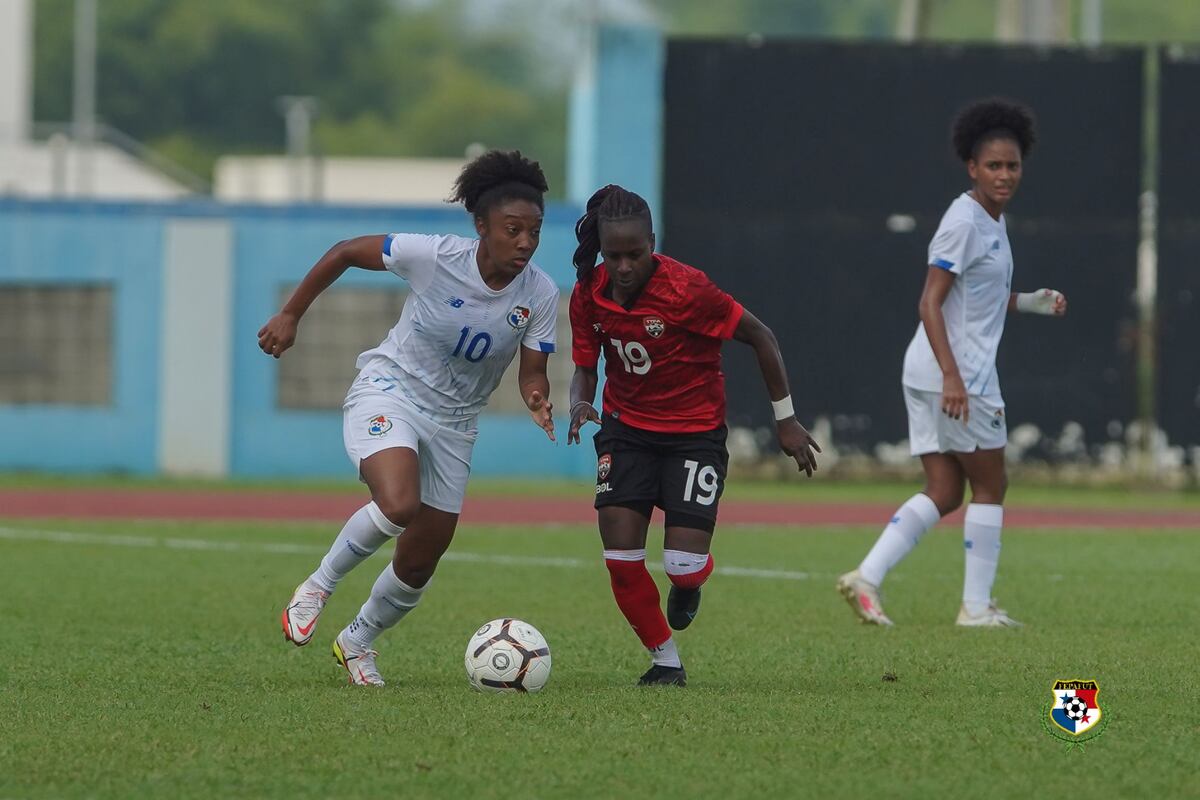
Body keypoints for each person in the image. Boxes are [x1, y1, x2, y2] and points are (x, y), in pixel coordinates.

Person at [259, 150, 560, 685]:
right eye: (512, 229)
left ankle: (357, 643)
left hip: (456, 424)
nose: (525, 243)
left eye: (534, 232)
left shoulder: (539, 292)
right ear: (481, 226)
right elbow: (346, 252)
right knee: (399, 503)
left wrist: (537, 397)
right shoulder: (433, 256)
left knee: (420, 561)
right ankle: (318, 586)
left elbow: (531, 371)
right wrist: (291, 313)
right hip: (391, 392)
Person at [566, 184, 821, 686]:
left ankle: (689, 582)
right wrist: (579, 401)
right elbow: (585, 366)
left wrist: (786, 420)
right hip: (625, 431)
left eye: (635, 254)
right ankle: (666, 662)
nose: (623, 267)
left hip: (693, 434)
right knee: (620, 560)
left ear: (652, 243)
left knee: (682, 565)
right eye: (613, 256)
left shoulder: (688, 289)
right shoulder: (587, 293)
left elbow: (761, 336)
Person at [837, 99, 1067, 628]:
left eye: (1012, 165)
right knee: (991, 486)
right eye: (993, 165)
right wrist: (953, 377)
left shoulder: (991, 220)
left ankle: (866, 578)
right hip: (959, 375)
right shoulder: (964, 222)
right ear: (972, 167)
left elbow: (980, 298)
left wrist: (1030, 302)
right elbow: (929, 302)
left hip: (931, 371)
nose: (1004, 174)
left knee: (944, 491)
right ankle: (976, 608)